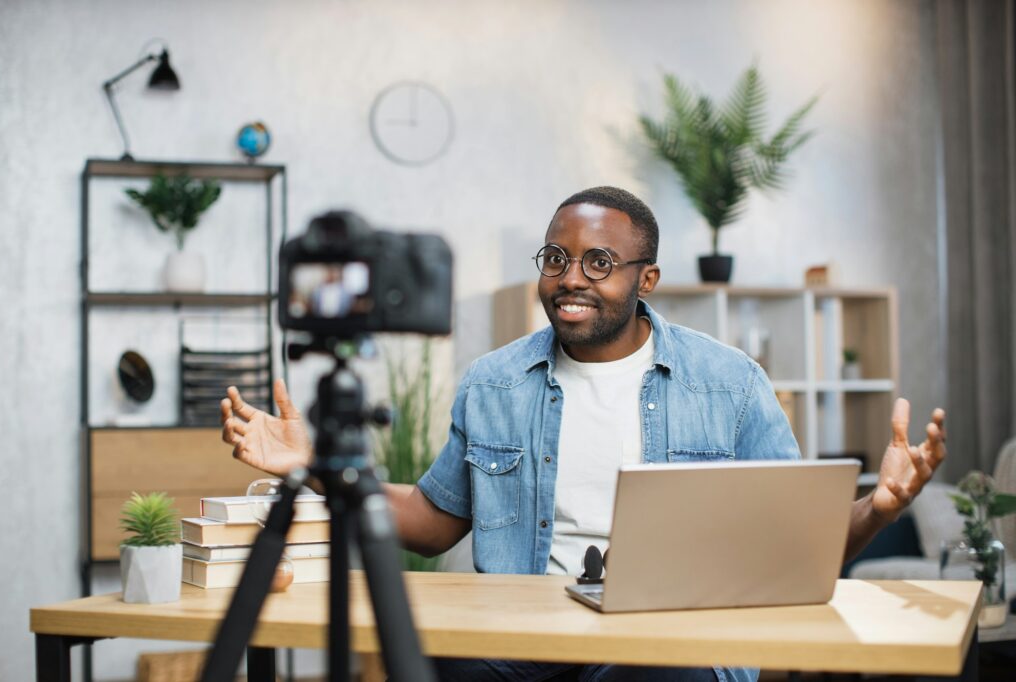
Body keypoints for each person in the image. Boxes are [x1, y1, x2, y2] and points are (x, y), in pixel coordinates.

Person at [221, 186, 946, 682]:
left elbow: (799, 551)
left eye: (599, 262)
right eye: (557, 259)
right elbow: (439, 523)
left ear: (647, 277)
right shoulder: (493, 381)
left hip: (673, 646)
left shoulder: (730, 382)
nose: (571, 278)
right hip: (523, 644)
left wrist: (879, 507)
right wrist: (317, 462)